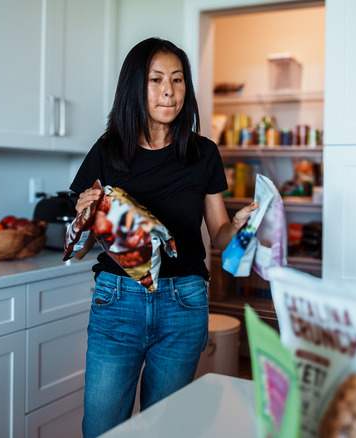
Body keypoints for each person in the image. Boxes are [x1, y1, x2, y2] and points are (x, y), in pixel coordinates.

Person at [69, 37, 258, 437]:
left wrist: (238, 225)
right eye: (156, 80)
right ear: (135, 87)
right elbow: (84, 246)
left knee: (165, 429)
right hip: (117, 300)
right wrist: (85, 215)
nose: (168, 91)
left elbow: (219, 234)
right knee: (102, 427)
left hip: (183, 302)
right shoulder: (107, 152)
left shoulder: (202, 153)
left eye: (177, 79)